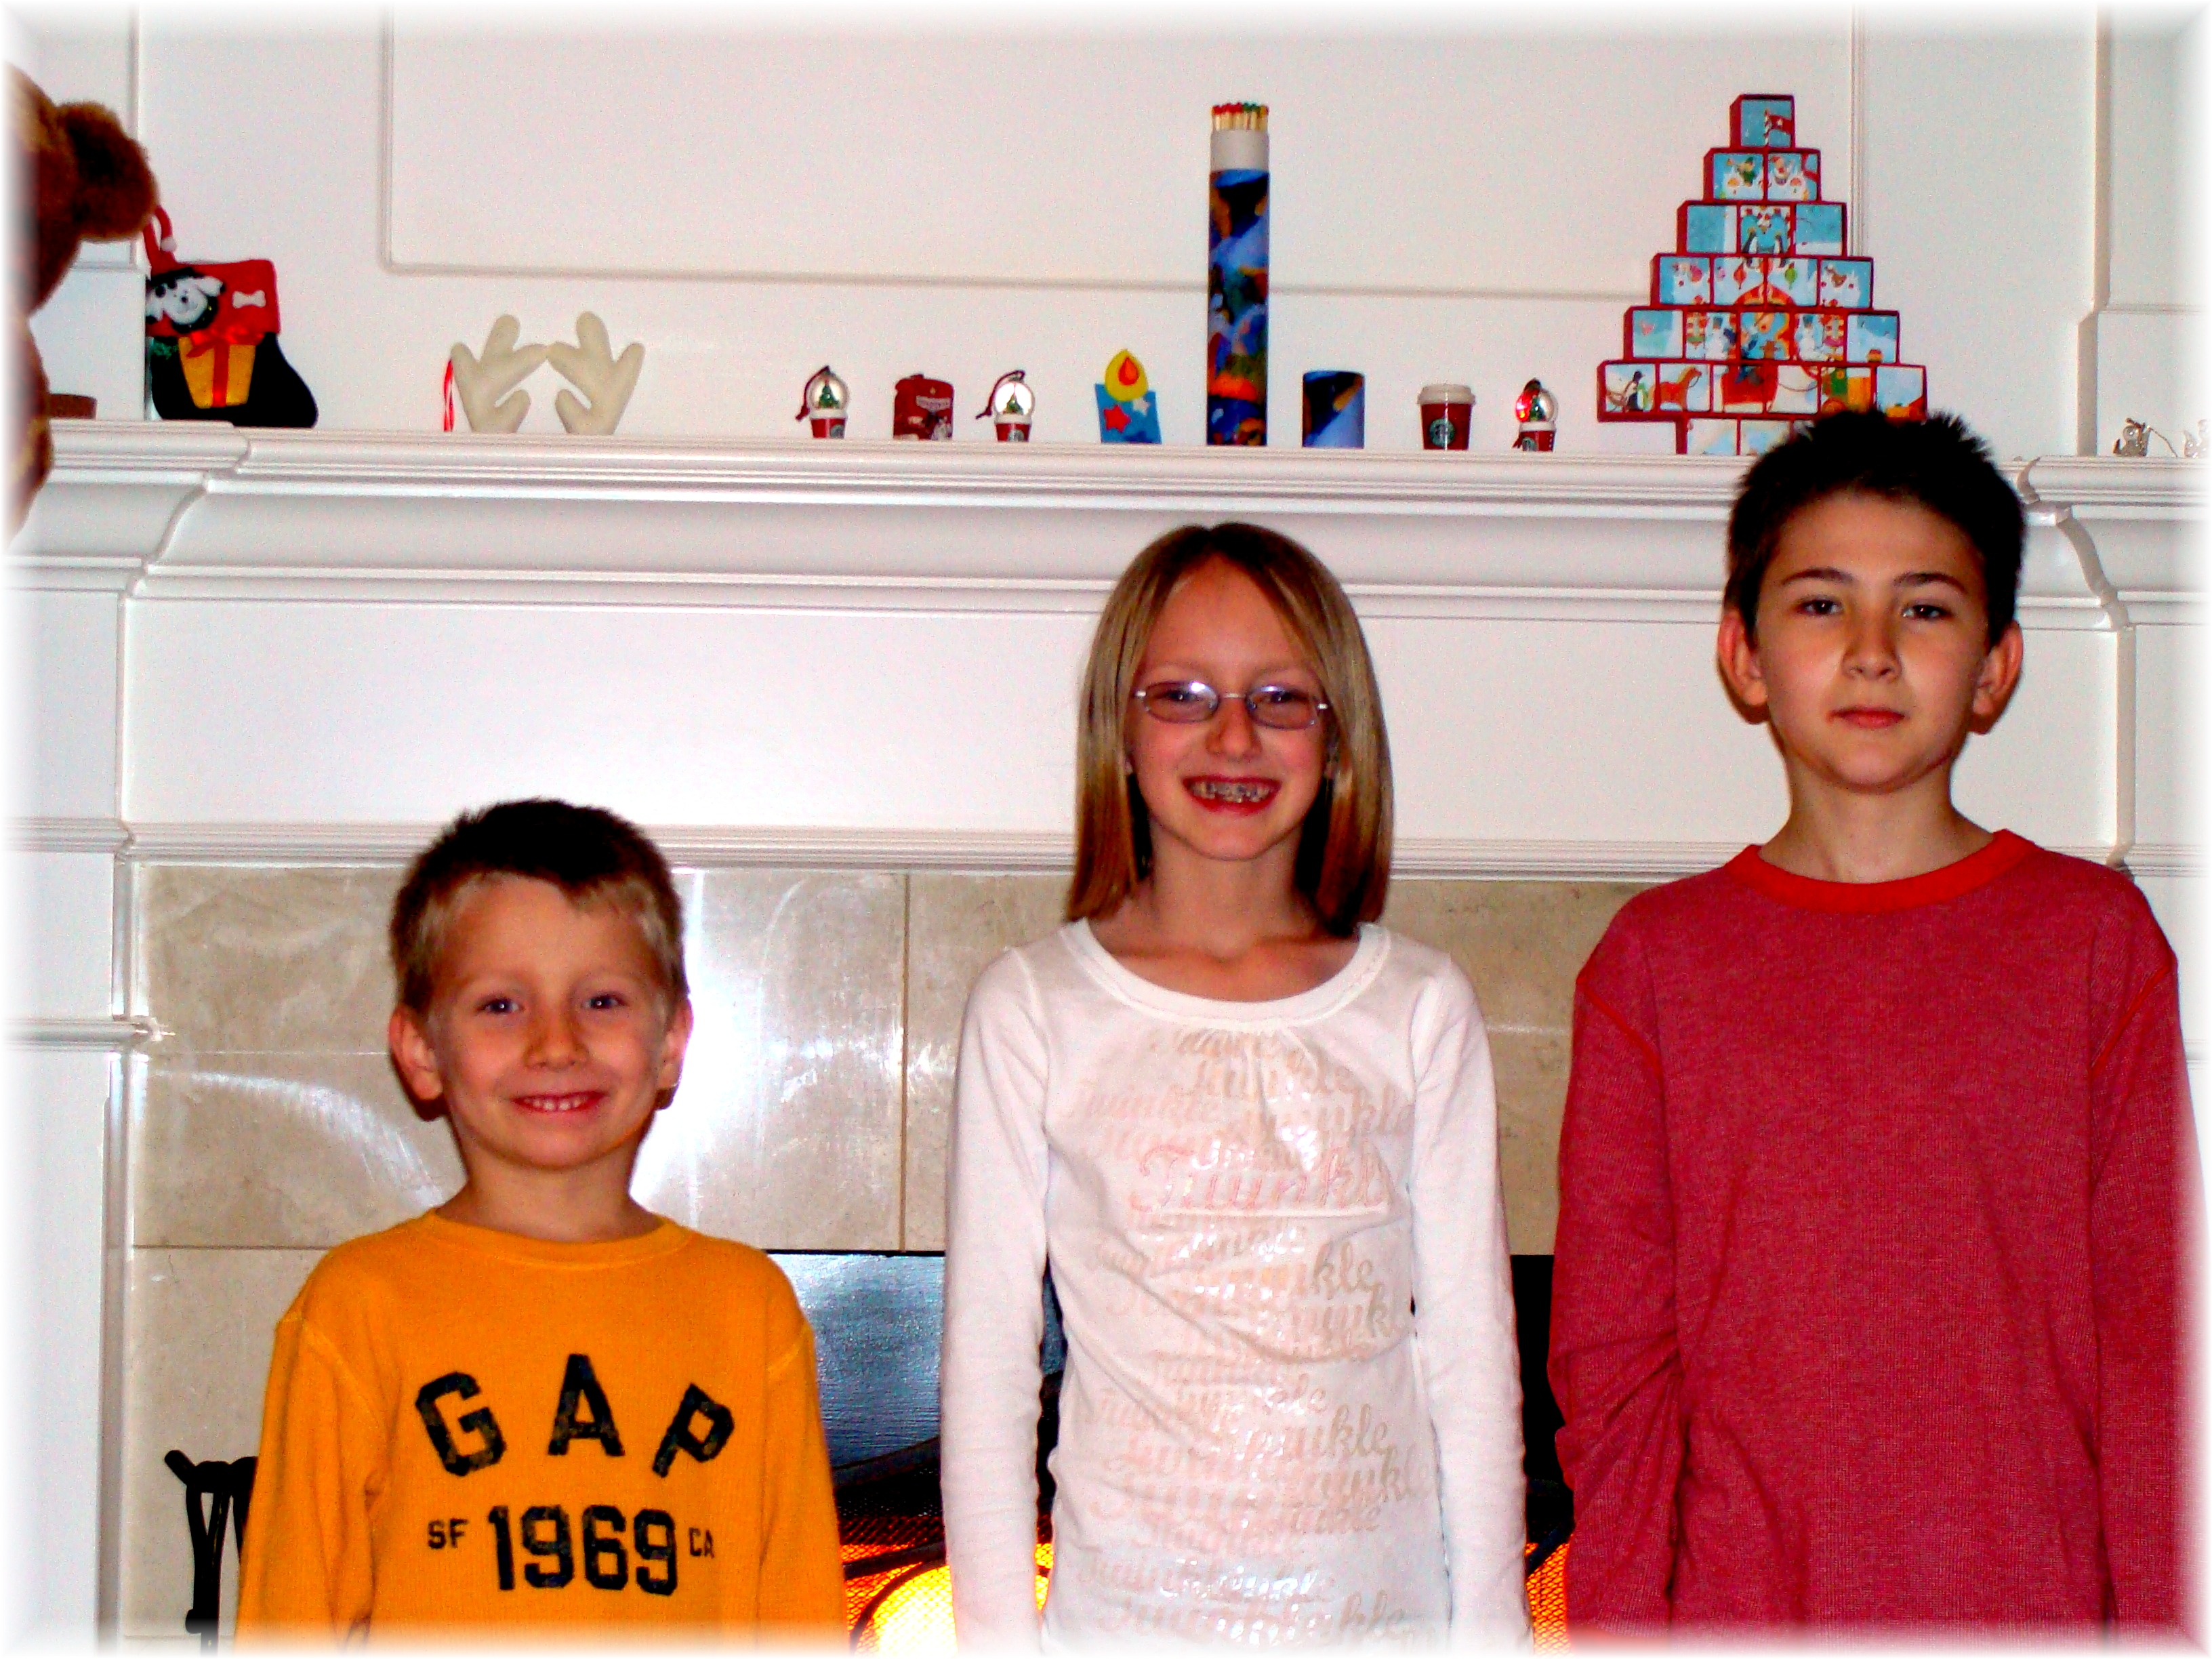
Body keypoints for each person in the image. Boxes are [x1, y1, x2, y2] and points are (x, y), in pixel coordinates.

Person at [1549, 412, 2192, 1631]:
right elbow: (1613, 1372)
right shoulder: (1652, 966)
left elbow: (2157, 1353)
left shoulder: (2093, 944)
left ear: (1995, 666)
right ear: (1742, 654)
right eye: (1820, 603)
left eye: (1924, 608)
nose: (1871, 652)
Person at [941, 524, 1530, 1647]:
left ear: (1337, 738)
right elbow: (988, 1370)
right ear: (1118, 731)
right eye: (1182, 694)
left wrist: (1492, 1633)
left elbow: (1469, 1358)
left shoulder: (1417, 1005)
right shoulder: (1033, 1009)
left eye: (1279, 697)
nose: (1232, 734)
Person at [235, 799, 846, 1640]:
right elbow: (289, 1618)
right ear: (421, 1051)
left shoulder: (751, 1309)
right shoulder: (358, 1306)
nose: (556, 1044)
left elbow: (800, 1617)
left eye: (601, 1001)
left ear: (671, 1042)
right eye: (500, 1005)